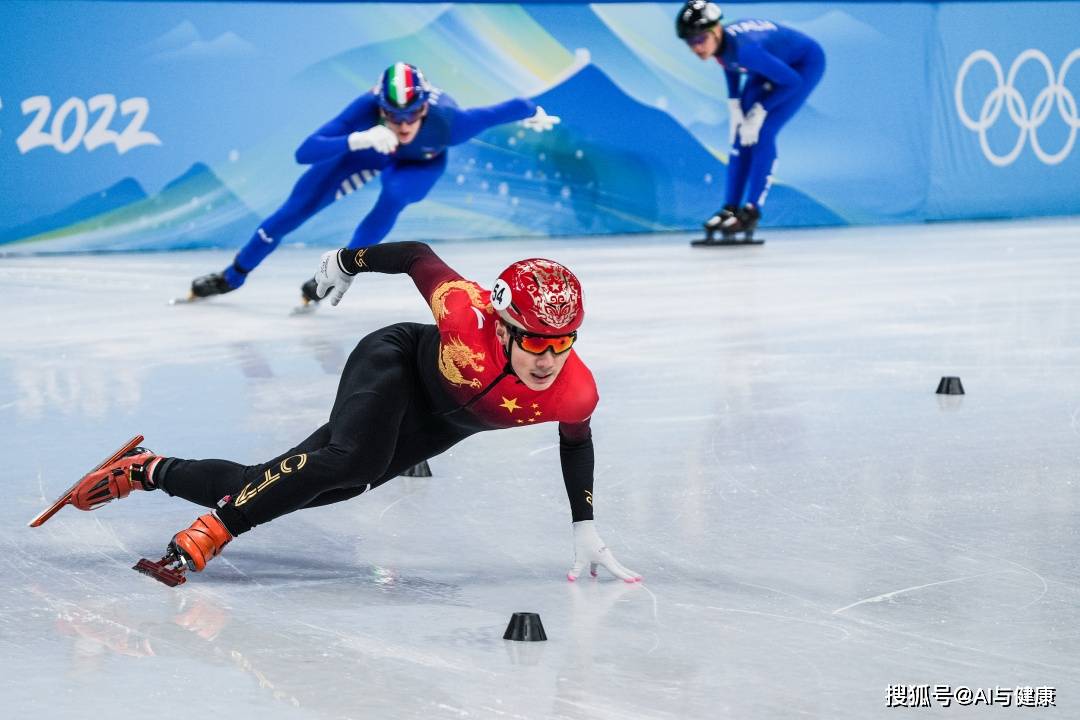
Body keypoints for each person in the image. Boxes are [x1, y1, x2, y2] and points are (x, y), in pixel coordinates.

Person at [40, 241, 640, 587]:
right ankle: (212, 533)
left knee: (308, 484)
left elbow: (575, 445)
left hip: (439, 424)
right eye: (535, 341)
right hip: (395, 361)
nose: (549, 359)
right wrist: (345, 262)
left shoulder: (576, 390)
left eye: (564, 342)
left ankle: (147, 470)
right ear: (502, 325)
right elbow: (416, 256)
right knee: (352, 458)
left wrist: (583, 527)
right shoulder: (464, 311)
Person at [188, 62, 560, 306]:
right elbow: (305, 152)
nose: (403, 123)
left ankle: (336, 270)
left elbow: (513, 106)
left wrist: (534, 115)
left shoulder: (451, 123)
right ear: (379, 107)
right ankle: (232, 277)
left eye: (412, 114)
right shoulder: (364, 110)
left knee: (394, 197)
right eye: (394, 115)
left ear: (425, 108)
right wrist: (357, 139)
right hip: (371, 149)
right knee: (295, 209)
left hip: (420, 162)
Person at [676, 1, 825, 239]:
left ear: (716, 31)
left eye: (699, 40)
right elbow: (728, 64)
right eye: (690, 43)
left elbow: (792, 82)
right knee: (741, 134)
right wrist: (734, 103)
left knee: (762, 131)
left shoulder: (747, 51)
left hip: (802, 65)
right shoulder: (722, 44)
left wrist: (760, 110)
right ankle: (730, 208)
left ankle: (751, 211)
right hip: (770, 65)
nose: (696, 48)